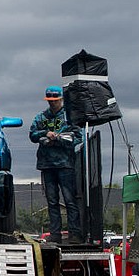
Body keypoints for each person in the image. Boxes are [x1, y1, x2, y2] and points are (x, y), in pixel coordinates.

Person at [30, 85, 82, 243]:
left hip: (65, 164)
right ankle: (55, 234)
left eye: (55, 100)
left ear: (61, 99)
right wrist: (45, 133)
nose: (52, 103)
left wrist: (59, 138)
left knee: (69, 200)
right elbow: (32, 135)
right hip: (47, 165)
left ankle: (74, 234)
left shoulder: (69, 117)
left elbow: (78, 137)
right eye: (50, 101)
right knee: (52, 201)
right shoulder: (41, 117)